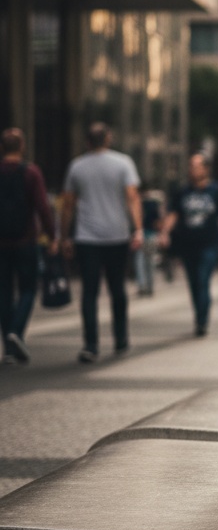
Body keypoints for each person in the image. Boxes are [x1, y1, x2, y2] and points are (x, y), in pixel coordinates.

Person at [61, 123, 142, 363]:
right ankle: (121, 339)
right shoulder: (123, 163)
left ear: (87, 142)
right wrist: (137, 229)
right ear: (108, 139)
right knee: (117, 289)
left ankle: (91, 345)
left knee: (89, 292)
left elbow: (68, 205)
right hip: (117, 235)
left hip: (87, 238)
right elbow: (132, 197)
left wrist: (64, 236)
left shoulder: (76, 166)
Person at [160, 153, 218, 336]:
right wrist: (164, 232)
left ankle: (202, 321)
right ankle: (199, 317)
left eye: (196, 166)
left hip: (210, 244)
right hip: (187, 245)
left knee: (202, 280)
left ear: (206, 169)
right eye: (190, 166)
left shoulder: (217, 191)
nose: (192, 169)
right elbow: (173, 214)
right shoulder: (182, 192)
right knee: (194, 283)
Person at [0, 128, 58, 364]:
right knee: (28, 288)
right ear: (22, 146)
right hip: (26, 241)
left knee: (3, 293)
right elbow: (42, 207)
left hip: (1, 244)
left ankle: (9, 348)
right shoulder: (31, 172)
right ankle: (16, 331)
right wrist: (51, 235)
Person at [135, 185, 164, 296]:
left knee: (140, 261)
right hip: (150, 235)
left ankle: (143, 286)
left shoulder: (139, 204)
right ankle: (149, 286)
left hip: (142, 235)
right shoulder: (153, 204)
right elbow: (158, 221)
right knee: (149, 261)